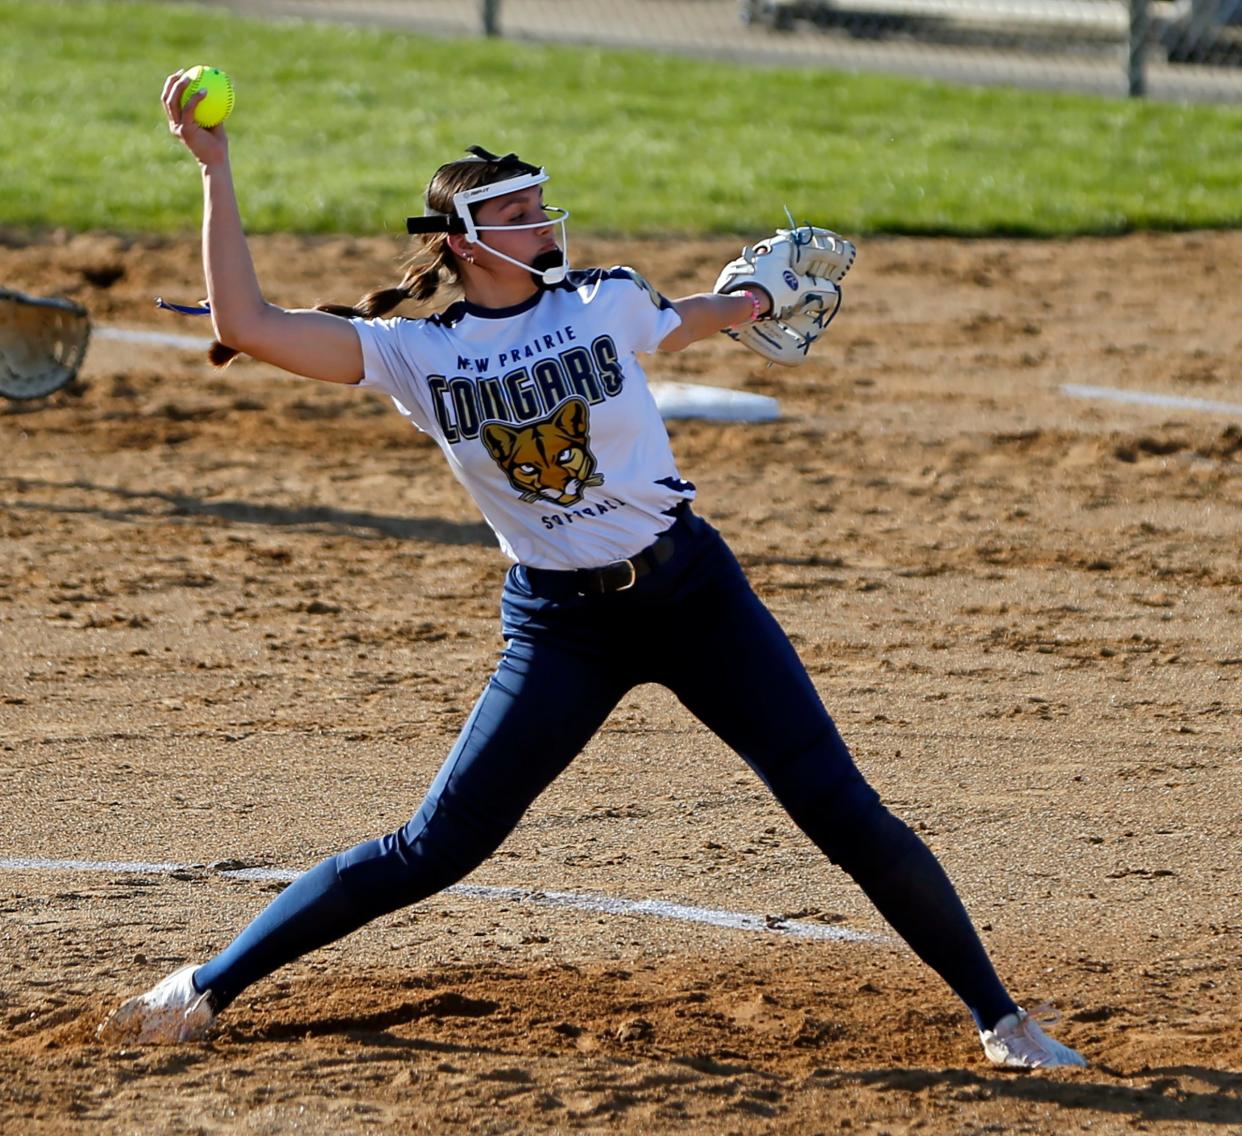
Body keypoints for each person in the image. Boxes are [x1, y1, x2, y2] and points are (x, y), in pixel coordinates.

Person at [97, 70, 1088, 1072]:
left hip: (695, 596)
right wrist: (216, 170)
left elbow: (693, 316)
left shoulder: (602, 298)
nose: (543, 224)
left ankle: (1002, 1020)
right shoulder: (417, 355)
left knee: (840, 808)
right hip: (561, 628)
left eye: (541, 207)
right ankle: (202, 986)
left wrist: (752, 293)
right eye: (517, 215)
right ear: (464, 243)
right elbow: (247, 326)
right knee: (434, 847)